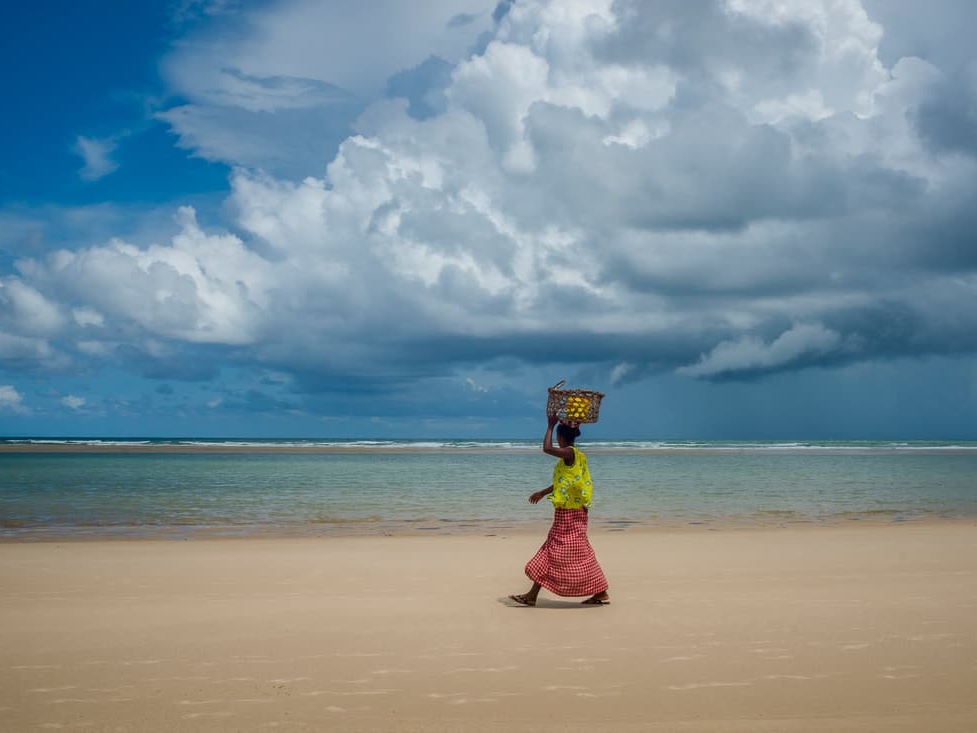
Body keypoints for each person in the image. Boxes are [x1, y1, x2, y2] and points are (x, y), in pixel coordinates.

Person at [509, 413, 609, 607]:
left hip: (569, 514)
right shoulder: (576, 457)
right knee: (578, 551)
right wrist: (543, 492)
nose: (556, 439)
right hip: (574, 512)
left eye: (556, 435)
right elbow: (565, 483)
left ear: (561, 437)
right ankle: (600, 591)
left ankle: (531, 596)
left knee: (554, 550)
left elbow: (547, 448)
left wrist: (550, 425)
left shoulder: (570, 453)